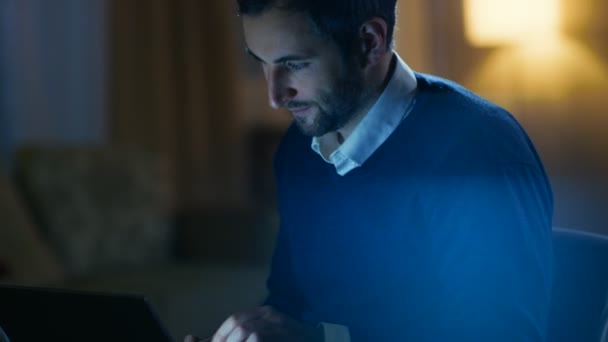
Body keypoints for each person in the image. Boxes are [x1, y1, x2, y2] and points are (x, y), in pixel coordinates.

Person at [186, 0, 554, 341]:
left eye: (294, 64)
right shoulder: (298, 150)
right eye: (261, 63)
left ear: (370, 41)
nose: (275, 95)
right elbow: (289, 303)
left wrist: (319, 339)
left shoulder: (477, 153)